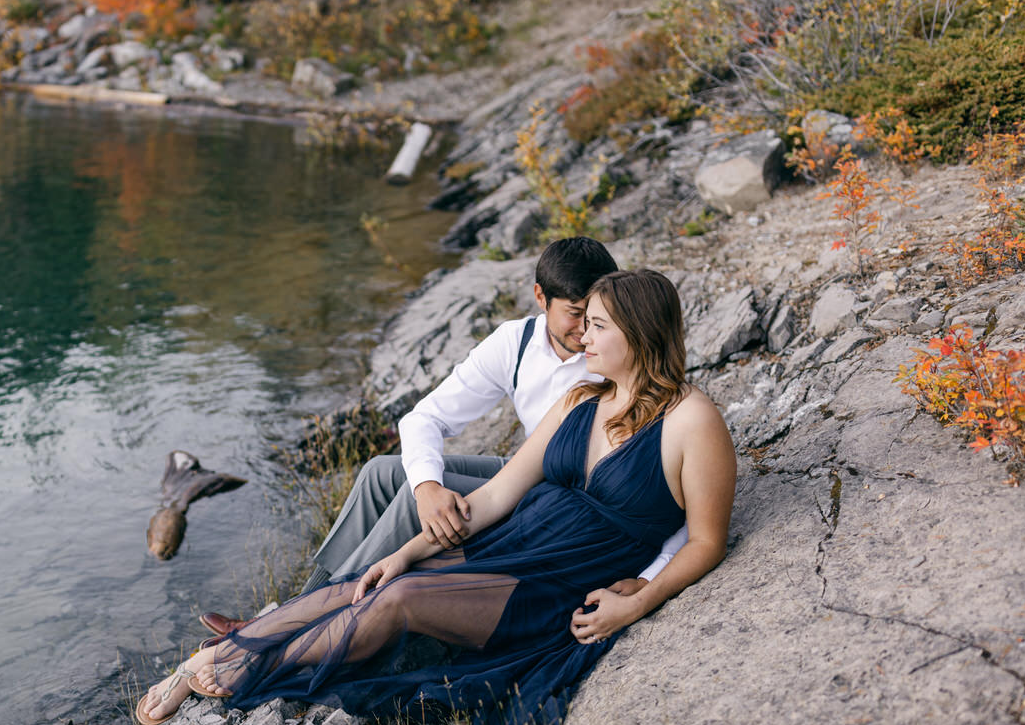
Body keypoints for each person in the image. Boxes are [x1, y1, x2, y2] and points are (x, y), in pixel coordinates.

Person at [138, 269, 736, 725]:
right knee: (377, 581)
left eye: (599, 327)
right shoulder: (582, 399)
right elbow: (498, 496)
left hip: (557, 581)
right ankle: (215, 659)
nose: (584, 340)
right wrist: (403, 551)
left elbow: (707, 541)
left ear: (637, 332)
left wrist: (637, 600)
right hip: (516, 542)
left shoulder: (691, 420)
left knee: (398, 602)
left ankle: (243, 666)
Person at [198, 237, 687, 641]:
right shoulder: (514, 344)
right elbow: (422, 419)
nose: (585, 332)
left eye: (596, 317)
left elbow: (661, 486)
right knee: (382, 475)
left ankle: (306, 623)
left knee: (423, 510)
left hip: (561, 503)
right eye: (576, 314)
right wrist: (427, 485)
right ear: (541, 298)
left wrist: (651, 575)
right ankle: (302, 607)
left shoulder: (615, 355)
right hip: (525, 474)